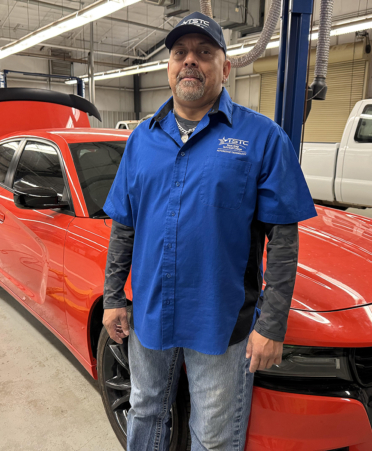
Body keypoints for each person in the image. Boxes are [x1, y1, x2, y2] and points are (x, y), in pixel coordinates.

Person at [102, 11, 317, 451]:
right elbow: (124, 225)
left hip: (222, 322)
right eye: (180, 53)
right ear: (168, 66)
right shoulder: (142, 139)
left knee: (214, 436)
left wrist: (271, 325)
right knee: (144, 409)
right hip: (149, 315)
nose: (190, 62)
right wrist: (112, 298)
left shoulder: (262, 138)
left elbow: (283, 239)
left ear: (225, 66)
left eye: (204, 52)